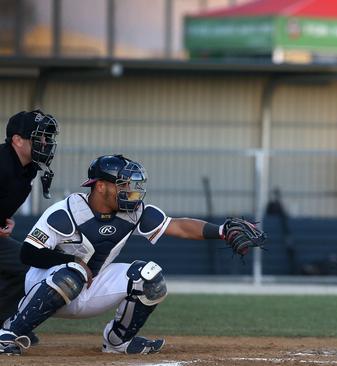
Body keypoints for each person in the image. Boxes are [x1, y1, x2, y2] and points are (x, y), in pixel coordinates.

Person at [0, 155, 266, 355]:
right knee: (74, 272)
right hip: (47, 284)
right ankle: (10, 333)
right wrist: (72, 262)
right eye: (124, 185)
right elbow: (28, 253)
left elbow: (179, 225)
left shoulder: (134, 211)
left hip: (92, 288)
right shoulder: (65, 211)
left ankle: (118, 341)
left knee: (150, 277)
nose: (132, 191)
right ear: (101, 186)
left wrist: (221, 230)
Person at [0, 110, 58, 346]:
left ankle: (4, 324)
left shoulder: (29, 168)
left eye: (46, 138)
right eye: (39, 137)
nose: (45, 143)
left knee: (28, 265)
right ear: (17, 140)